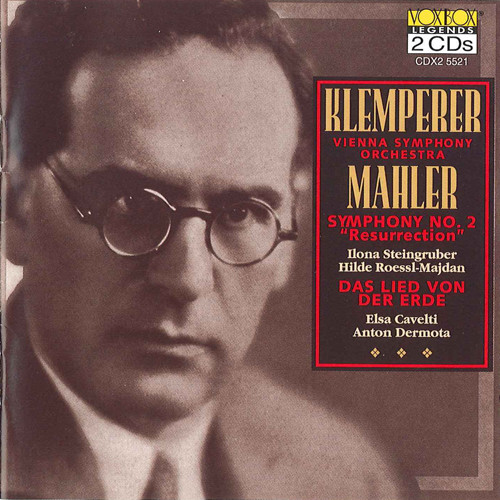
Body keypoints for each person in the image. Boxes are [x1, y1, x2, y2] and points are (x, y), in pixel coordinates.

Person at [2, 1, 417, 499]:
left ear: (292, 228)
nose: (187, 279)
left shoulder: (345, 477)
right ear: (17, 208)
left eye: (240, 213)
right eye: (133, 204)